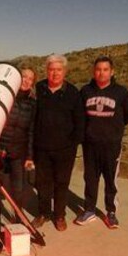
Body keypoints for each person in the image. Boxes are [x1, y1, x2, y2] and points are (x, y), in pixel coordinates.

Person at [75, 56, 128, 229]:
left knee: (111, 180)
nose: (101, 73)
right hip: (90, 145)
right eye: (98, 69)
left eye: (105, 69)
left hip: (111, 145)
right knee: (90, 179)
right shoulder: (85, 91)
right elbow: (80, 115)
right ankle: (89, 210)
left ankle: (111, 212)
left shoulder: (121, 93)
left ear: (112, 71)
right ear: (94, 72)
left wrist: (113, 130)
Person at [31, 54, 85, 232]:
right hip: (42, 149)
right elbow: (32, 117)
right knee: (42, 183)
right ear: (47, 71)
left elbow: (80, 122)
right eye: (51, 69)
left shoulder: (73, 93)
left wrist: (73, 145)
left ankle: (59, 215)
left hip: (65, 150)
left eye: (58, 70)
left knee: (62, 183)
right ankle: (44, 213)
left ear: (65, 71)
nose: (55, 73)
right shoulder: (38, 89)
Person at [0, 67, 36, 234]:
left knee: (18, 189)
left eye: (30, 78)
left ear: (32, 83)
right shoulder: (5, 97)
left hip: (19, 151)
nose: (26, 80)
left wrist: (30, 156)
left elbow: (31, 131)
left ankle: (18, 219)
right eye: (23, 76)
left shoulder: (33, 104)